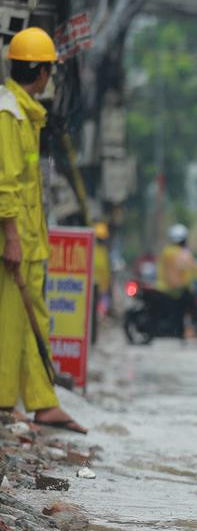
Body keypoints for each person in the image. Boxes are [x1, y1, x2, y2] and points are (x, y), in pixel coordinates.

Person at [0, 27, 86, 433]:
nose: (51, 77)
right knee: (11, 322)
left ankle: (39, 401)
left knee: (29, 318)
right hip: (15, 241)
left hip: (30, 242)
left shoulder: (26, 112)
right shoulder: (10, 114)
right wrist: (13, 237)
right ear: (39, 70)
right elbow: (5, 182)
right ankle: (10, 402)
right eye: (49, 70)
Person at [156, 223, 197, 337]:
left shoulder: (166, 251)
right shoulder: (183, 254)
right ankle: (195, 329)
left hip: (162, 288)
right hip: (178, 289)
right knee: (194, 306)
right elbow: (195, 270)